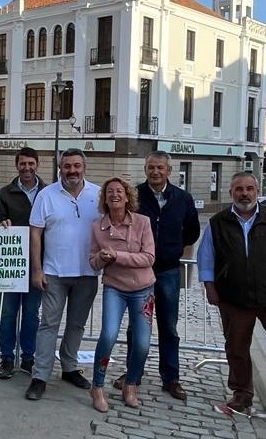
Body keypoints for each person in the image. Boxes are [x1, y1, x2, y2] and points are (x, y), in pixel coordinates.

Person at [197, 172, 266, 425]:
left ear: (257, 192)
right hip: (234, 298)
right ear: (231, 193)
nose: (244, 194)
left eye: (249, 188)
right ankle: (241, 394)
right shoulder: (218, 223)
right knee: (236, 347)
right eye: (239, 189)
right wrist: (209, 286)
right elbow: (206, 257)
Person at [115, 151, 200, 401]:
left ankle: (171, 377)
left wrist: (173, 249)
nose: (155, 172)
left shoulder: (183, 198)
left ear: (169, 171)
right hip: (140, 271)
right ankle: (133, 374)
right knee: (136, 326)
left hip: (168, 271)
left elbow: (192, 231)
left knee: (168, 326)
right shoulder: (134, 196)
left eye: (160, 168)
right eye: (151, 167)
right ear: (145, 169)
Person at [25, 149, 101, 401]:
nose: (72, 171)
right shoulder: (46, 195)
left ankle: (69, 367)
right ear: (60, 168)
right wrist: (37, 269)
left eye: (77, 166)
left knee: (77, 324)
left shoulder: (98, 194)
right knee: (48, 325)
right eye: (67, 166)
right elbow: (35, 233)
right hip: (54, 273)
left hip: (87, 272)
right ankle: (40, 376)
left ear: (84, 168)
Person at [88, 177, 156, 412]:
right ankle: (97, 386)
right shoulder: (97, 226)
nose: (115, 195)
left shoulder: (142, 222)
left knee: (142, 343)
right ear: (104, 199)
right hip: (114, 288)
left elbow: (148, 257)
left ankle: (131, 384)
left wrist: (117, 256)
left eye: (119, 191)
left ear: (127, 197)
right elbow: (93, 262)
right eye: (110, 192)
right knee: (108, 335)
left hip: (143, 289)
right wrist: (101, 258)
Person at [0, 147, 47, 379]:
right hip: (12, 263)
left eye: (30, 163)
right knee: (8, 313)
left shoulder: (47, 191)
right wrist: (2, 224)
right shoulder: (6, 193)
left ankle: (28, 357)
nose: (27, 168)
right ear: (17, 165)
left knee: (31, 314)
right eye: (23, 164)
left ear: (37, 165)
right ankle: (7, 357)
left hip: (38, 263)